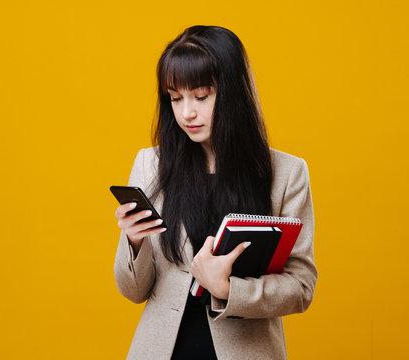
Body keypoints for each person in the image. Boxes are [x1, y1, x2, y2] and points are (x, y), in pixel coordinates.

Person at [113, 25, 317, 360]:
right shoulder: (151, 164)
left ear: (233, 93)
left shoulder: (286, 174)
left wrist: (229, 289)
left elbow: (301, 287)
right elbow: (133, 292)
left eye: (201, 96)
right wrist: (134, 242)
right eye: (175, 98)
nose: (186, 113)